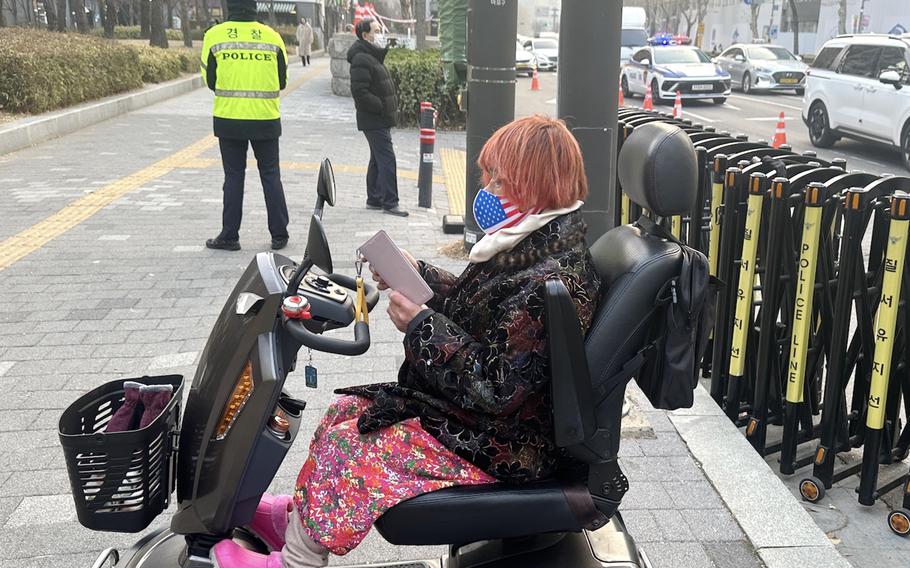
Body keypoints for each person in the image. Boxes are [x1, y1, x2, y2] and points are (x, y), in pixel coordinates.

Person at [209, 115, 602, 567]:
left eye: (501, 180)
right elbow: (488, 307)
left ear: (537, 185)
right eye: (488, 176)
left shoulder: (554, 279)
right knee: (346, 413)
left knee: (353, 445)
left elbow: (498, 387)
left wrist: (421, 326)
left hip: (506, 445)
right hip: (484, 426)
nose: (488, 189)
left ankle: (296, 559)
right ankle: (300, 519)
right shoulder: (535, 244)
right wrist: (420, 276)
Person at [201, 0, 291, 252]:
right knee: (271, 175)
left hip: (229, 120)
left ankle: (230, 236)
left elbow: (210, 80)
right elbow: (282, 81)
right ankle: (279, 234)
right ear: (254, 8)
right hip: (265, 118)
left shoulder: (214, 35)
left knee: (233, 176)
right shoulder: (272, 37)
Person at [348, 17, 408, 217]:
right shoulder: (361, 58)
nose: (380, 33)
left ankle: (373, 199)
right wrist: (380, 106)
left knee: (377, 158)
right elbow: (359, 91)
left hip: (377, 118)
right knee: (386, 159)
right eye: (376, 30)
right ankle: (390, 202)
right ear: (366, 36)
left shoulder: (370, 56)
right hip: (374, 118)